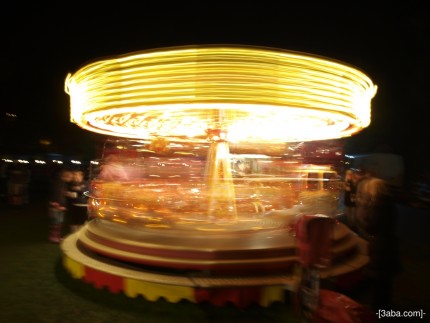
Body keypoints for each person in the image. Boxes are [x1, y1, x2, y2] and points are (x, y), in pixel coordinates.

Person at [355, 176, 402, 310]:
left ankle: (379, 308)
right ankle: (384, 305)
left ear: (374, 190)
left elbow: (372, 225)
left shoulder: (378, 204)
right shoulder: (389, 202)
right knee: (386, 280)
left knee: (380, 278)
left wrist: (364, 222)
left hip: (382, 246)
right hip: (389, 244)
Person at [48, 168, 73, 243]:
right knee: (56, 222)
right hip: (55, 207)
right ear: (65, 176)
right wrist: (58, 205)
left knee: (59, 222)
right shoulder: (58, 184)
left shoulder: (63, 184)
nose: (71, 179)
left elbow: (61, 195)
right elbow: (55, 196)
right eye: (70, 177)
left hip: (60, 206)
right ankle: (53, 238)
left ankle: (57, 237)